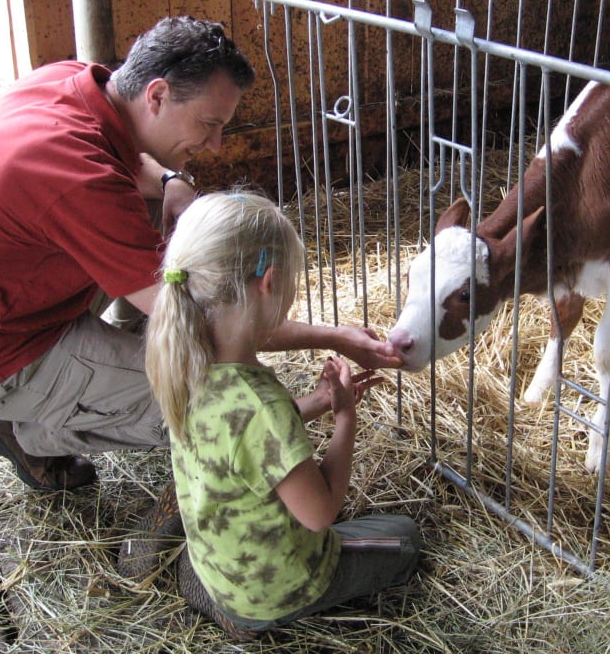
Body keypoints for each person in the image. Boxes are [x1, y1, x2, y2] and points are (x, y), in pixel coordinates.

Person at [0, 15, 402, 492]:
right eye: (209, 124)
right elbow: (206, 326)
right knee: (205, 394)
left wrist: (169, 181)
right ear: (155, 95)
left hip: (17, 297)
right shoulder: (80, 179)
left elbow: (128, 159)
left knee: (163, 203)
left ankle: (80, 377)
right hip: (2, 355)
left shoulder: (73, 83)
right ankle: (29, 431)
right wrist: (334, 338)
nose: (215, 146)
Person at [144, 190, 420, 637]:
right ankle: (255, 617)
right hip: (275, 588)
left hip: (218, 565)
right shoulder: (261, 404)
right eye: (293, 284)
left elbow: (238, 438)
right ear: (268, 282)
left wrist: (313, 404)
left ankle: (212, 589)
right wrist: (345, 419)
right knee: (406, 539)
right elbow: (320, 513)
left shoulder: (185, 361)